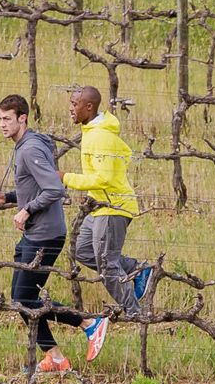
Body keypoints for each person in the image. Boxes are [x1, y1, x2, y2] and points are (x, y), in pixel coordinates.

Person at [0, 93, 105, 373]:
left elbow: (54, 189)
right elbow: (35, 187)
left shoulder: (29, 149)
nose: (1, 124)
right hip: (36, 234)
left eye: (7, 119)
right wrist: (10, 197)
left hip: (45, 235)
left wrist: (26, 211)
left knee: (24, 299)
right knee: (21, 299)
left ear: (22, 118)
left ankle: (89, 324)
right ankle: (56, 357)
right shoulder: (27, 144)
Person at [59, 85, 154, 328]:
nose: (70, 108)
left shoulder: (100, 136)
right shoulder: (92, 130)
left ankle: (135, 314)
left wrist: (66, 178)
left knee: (108, 266)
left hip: (113, 207)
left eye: (74, 104)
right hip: (100, 206)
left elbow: (104, 178)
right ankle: (137, 268)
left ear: (88, 107)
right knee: (82, 251)